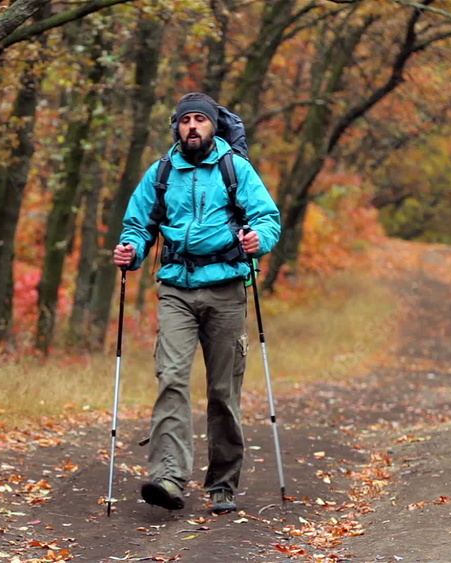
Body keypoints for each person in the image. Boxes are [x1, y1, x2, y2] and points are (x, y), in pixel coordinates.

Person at [113, 92, 281, 514]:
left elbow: (267, 218)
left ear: (212, 127)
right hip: (176, 289)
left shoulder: (235, 168)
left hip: (226, 289)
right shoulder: (161, 172)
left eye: (199, 121)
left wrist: (259, 240)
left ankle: (222, 484)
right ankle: (169, 477)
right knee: (171, 378)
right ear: (177, 127)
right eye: (185, 120)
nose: (192, 127)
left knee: (223, 391)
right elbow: (138, 225)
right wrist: (130, 251)